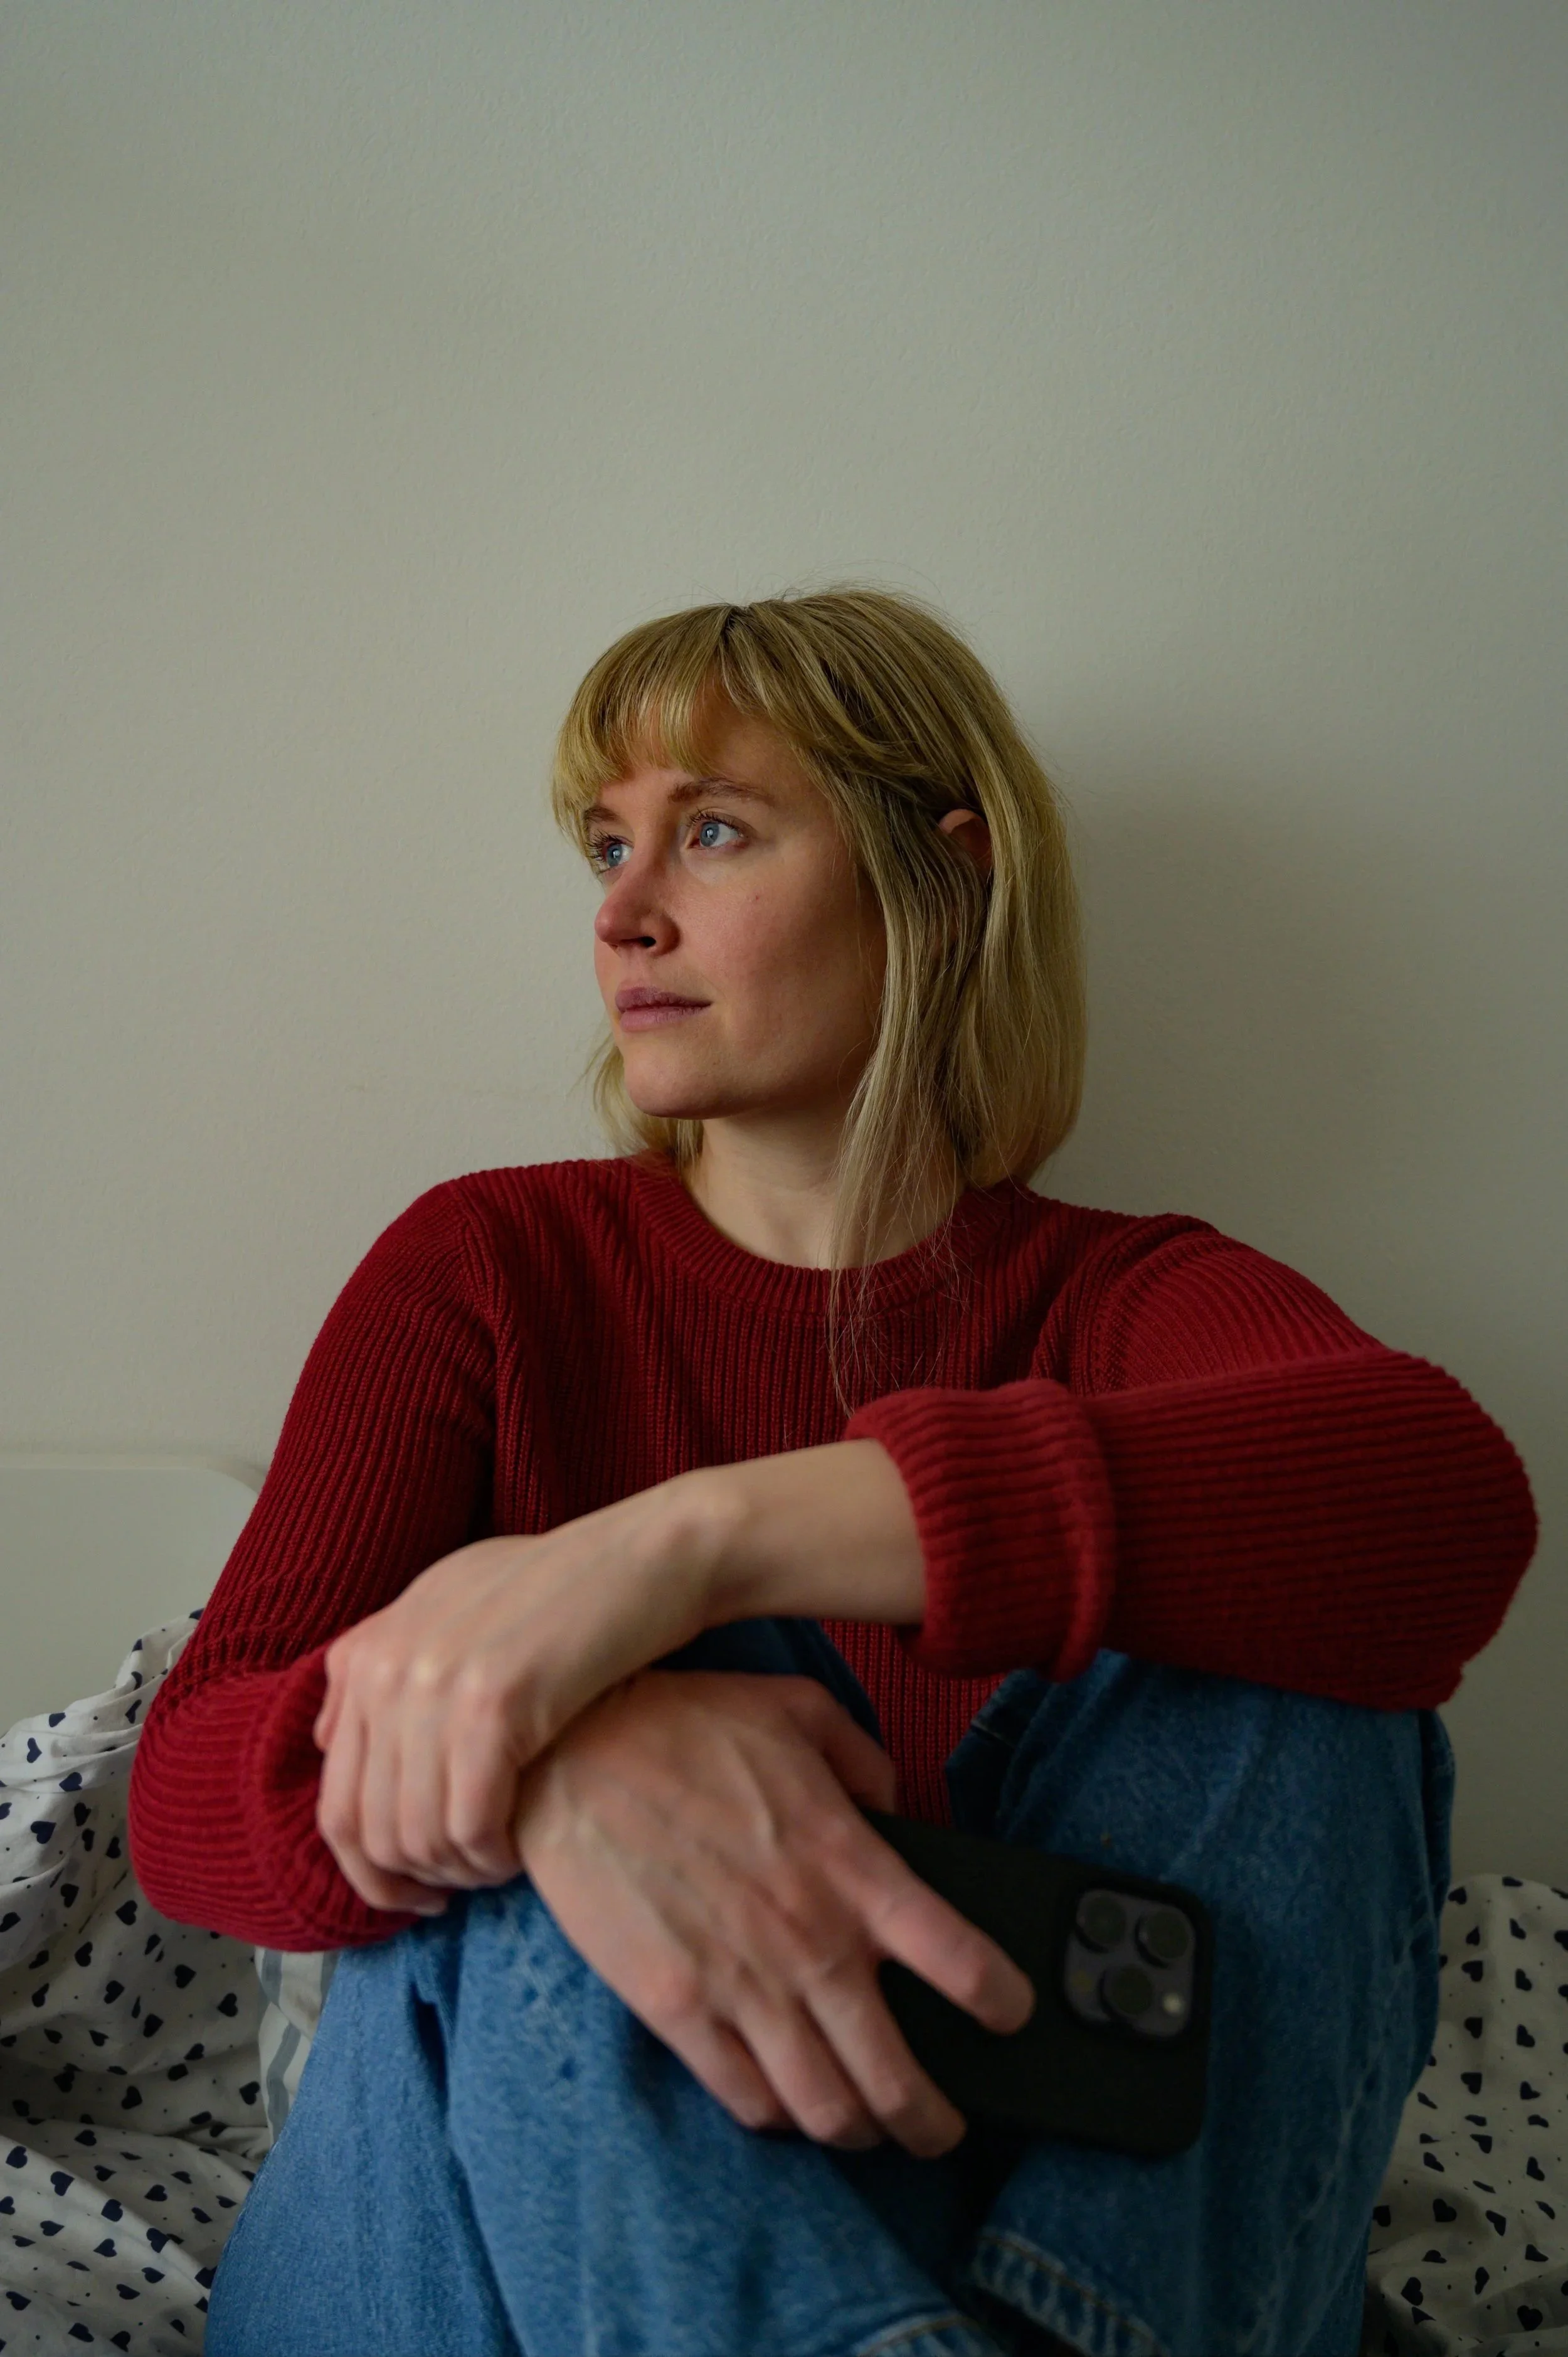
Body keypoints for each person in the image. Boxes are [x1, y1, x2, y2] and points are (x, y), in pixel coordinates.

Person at [129, 588, 1537, 2357]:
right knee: (607, 1709)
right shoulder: (488, 1269)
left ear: (940, 881)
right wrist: (559, 1751)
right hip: (482, 2255)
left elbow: (1444, 1503)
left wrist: (685, 1546)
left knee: (1312, 1656)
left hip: (1032, 2231)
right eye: (603, 846)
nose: (622, 915)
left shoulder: (1127, 1296)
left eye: (710, 830)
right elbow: (182, 1793)